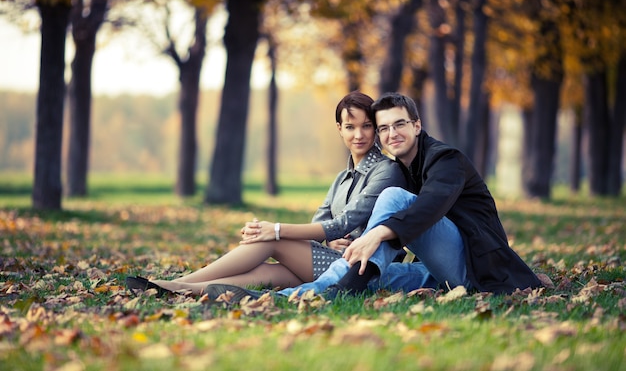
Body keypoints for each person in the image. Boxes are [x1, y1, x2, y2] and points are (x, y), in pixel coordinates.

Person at [205, 92, 541, 301]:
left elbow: (430, 207)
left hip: (473, 270)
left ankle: (323, 290)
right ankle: (287, 296)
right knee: (379, 278)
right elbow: (327, 222)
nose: (390, 133)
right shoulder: (402, 167)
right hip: (437, 273)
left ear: (417, 125)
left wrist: (375, 234)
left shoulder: (446, 160)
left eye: (399, 124)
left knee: (393, 199)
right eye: (384, 128)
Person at [125, 91, 407, 296]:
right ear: (340, 130)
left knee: (269, 241)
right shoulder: (341, 178)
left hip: (358, 268)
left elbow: (343, 224)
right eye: (350, 127)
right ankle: (182, 290)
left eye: (366, 126)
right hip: (330, 257)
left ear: (375, 128)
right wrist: (326, 239)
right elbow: (320, 221)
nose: (358, 135)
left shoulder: (385, 171)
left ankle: (175, 283)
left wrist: (276, 230)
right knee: (266, 274)